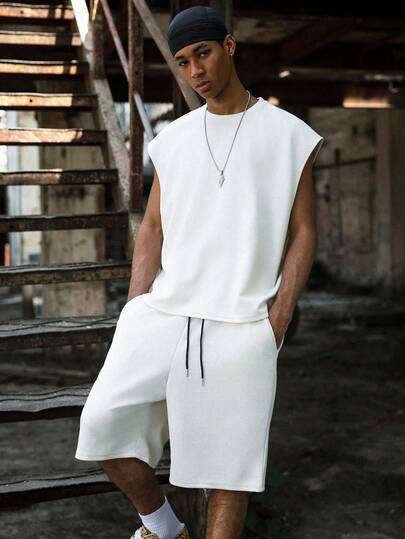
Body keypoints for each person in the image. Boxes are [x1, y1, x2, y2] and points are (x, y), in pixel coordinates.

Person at [74, 5, 325, 539]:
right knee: (101, 424)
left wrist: (279, 317)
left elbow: (304, 230)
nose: (195, 71)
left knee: (227, 472)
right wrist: (135, 304)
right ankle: (164, 528)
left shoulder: (290, 135)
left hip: (243, 323)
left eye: (203, 54)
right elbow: (152, 227)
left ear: (229, 46)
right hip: (165, 312)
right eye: (184, 62)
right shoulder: (173, 140)